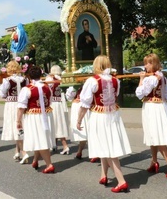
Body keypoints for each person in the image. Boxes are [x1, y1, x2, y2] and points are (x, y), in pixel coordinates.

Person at [77, 55, 132, 193]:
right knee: (105, 145)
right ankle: (104, 175)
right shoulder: (115, 80)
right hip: (113, 115)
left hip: (99, 116)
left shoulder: (92, 81)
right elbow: (115, 95)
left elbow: (84, 103)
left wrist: (79, 120)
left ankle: (121, 180)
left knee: (106, 147)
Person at [136, 54, 167, 178]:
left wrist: (141, 79)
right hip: (160, 105)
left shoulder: (151, 78)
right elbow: (166, 94)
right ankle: (154, 161)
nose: (145, 66)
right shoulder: (161, 76)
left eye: (147, 63)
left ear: (153, 63)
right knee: (152, 134)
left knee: (157, 135)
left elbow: (140, 93)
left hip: (152, 107)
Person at [17, 66, 55, 173]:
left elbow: (21, 107)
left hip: (34, 116)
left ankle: (49, 164)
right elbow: (50, 101)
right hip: (47, 115)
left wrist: (18, 120)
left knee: (40, 138)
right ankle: (35, 160)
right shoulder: (47, 87)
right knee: (39, 137)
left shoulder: (27, 89)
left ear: (29, 76)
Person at [0, 60, 29, 163]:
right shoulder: (25, 79)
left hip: (11, 104)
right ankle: (17, 151)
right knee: (21, 127)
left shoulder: (7, 80)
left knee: (16, 127)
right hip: (23, 104)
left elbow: (2, 93)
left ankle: (24, 152)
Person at [45, 65, 70, 155]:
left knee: (54, 124)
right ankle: (54, 144)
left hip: (52, 103)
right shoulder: (62, 79)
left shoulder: (49, 79)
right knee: (58, 123)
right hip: (60, 103)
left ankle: (65, 145)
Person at [65, 83, 88, 160]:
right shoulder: (73, 87)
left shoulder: (91, 82)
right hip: (78, 106)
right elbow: (69, 97)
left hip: (86, 106)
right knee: (83, 131)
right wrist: (74, 88)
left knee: (88, 130)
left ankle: (81, 151)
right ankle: (80, 151)